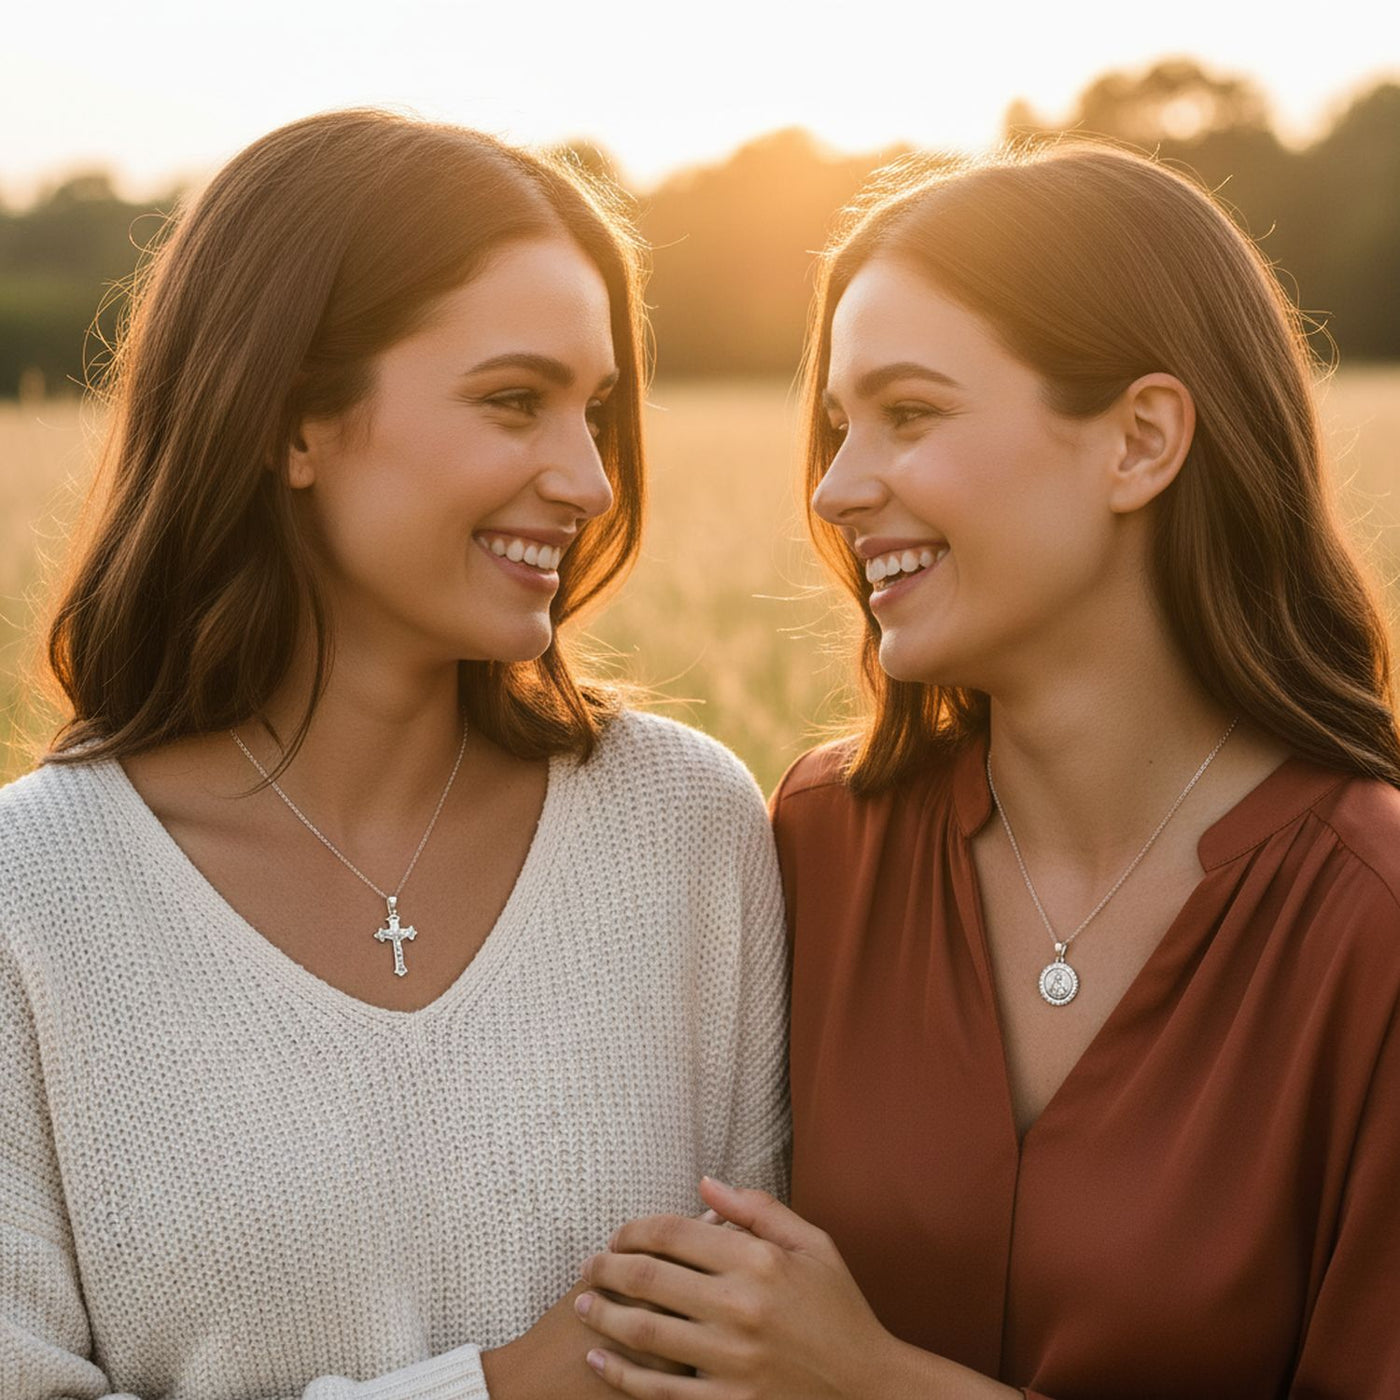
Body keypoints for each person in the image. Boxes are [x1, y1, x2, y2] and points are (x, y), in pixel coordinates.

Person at [572, 143, 1400, 1398]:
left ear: (1138, 441)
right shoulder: (818, 841)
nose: (835, 488)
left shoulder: (1369, 923)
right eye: (841, 427)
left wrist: (866, 1380)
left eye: (909, 413)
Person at [0, 110, 788, 1400]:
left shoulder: (687, 828)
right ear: (292, 421)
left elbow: (761, 1355)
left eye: (590, 411)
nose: (588, 479)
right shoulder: (31, 895)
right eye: (512, 400)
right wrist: (493, 1388)